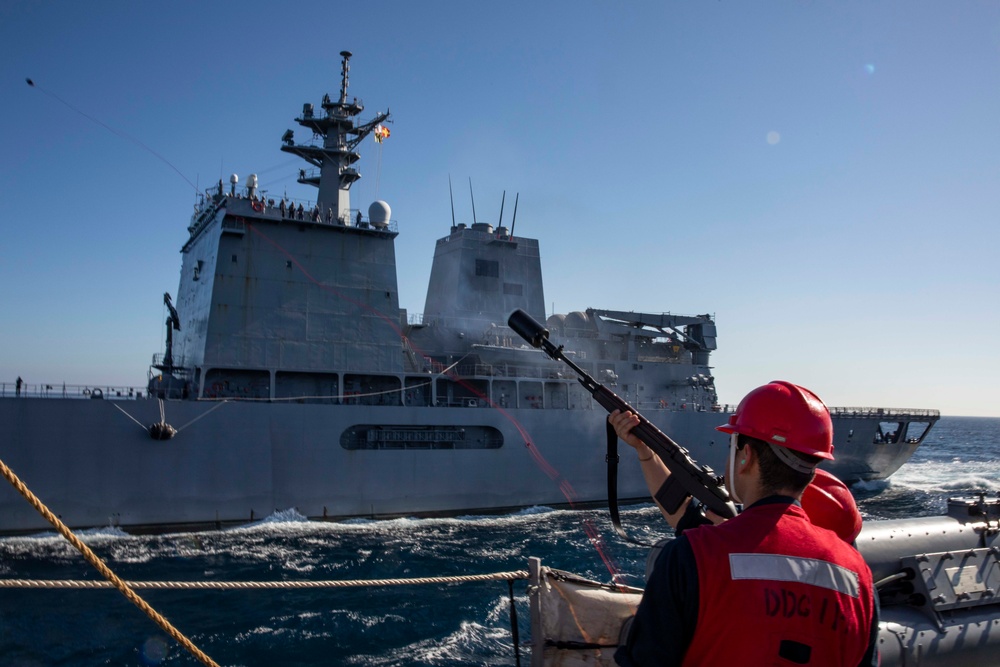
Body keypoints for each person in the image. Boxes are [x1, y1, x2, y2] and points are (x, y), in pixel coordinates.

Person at [612, 380, 878, 666]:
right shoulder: (859, 577)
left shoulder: (691, 556)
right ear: (812, 469)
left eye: (733, 445)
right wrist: (646, 452)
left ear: (746, 457)